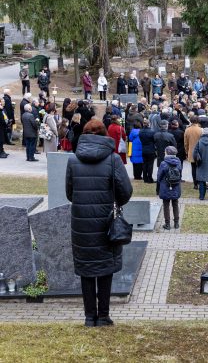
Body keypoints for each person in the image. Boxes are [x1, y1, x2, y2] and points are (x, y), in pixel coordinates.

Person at [65, 119, 133, 327]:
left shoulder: (73, 160)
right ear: (104, 134)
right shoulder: (113, 160)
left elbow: (70, 194)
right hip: (105, 222)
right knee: (104, 270)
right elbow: (126, 191)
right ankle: (103, 316)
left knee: (86, 270)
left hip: (81, 224)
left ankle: (89, 317)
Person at [156, 146, 182, 230]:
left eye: (165, 152)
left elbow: (159, 176)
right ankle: (176, 223)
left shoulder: (163, 163)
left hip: (166, 186)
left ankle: (167, 224)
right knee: (175, 204)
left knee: (166, 205)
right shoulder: (178, 162)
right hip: (176, 186)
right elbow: (180, 174)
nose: (164, 153)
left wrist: (160, 184)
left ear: (167, 153)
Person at [184, 117, 202, 189]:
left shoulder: (187, 130)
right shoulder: (200, 130)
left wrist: (187, 151)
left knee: (193, 168)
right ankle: (200, 182)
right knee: (200, 168)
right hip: (200, 152)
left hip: (191, 151)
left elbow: (185, 143)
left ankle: (195, 184)